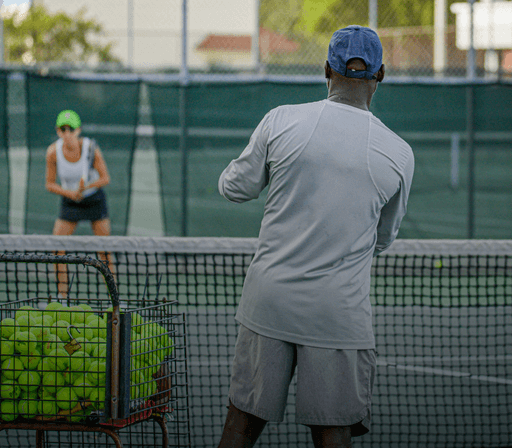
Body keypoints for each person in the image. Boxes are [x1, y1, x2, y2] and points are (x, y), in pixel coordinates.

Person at [217, 25, 414, 448]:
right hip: (338, 314)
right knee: (332, 433)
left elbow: (235, 188)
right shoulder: (399, 153)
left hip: (269, 301)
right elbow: (383, 238)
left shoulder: (280, 121)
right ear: (380, 76)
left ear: (326, 68)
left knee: (241, 424)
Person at [45, 109, 114, 298]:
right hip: (70, 201)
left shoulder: (91, 148)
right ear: (58, 131)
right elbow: (49, 184)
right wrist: (70, 193)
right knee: (57, 248)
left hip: (94, 200)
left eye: (71, 129)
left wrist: (86, 187)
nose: (67, 133)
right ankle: (62, 297)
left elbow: (105, 178)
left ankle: (114, 300)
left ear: (78, 130)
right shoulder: (53, 152)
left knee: (104, 250)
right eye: (62, 129)